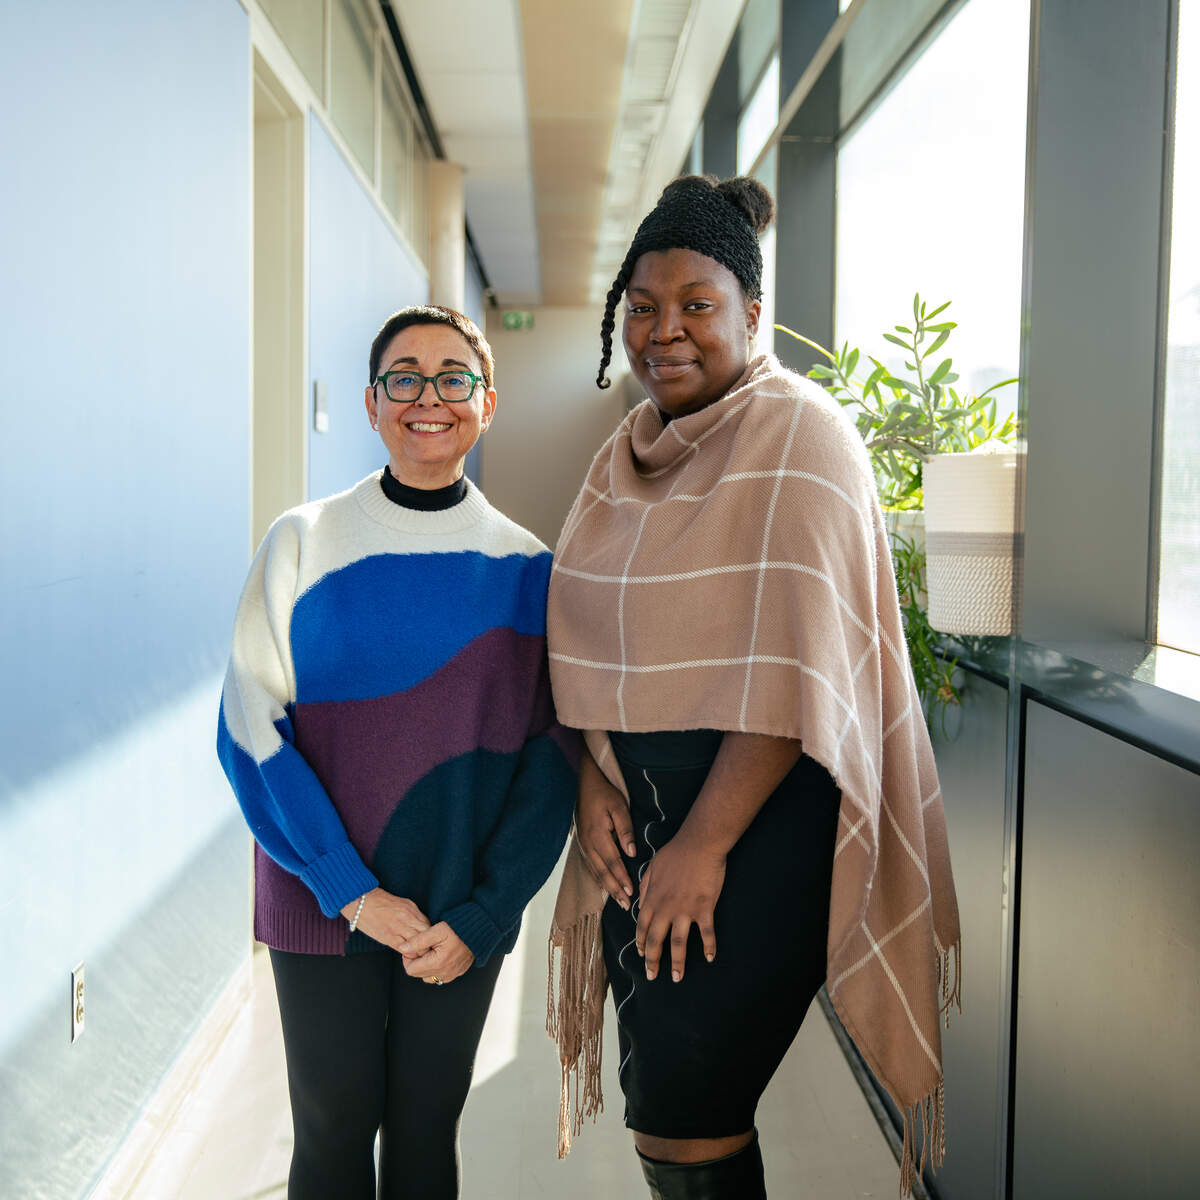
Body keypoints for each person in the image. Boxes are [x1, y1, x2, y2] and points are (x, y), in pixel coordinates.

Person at [545, 176, 961, 1199]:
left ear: (753, 315)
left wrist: (703, 844)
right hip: (638, 825)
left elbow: (801, 673)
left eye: (698, 305)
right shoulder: (617, 462)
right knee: (669, 1117)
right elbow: (574, 652)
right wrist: (588, 791)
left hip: (759, 828)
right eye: (641, 307)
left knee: (689, 1120)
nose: (664, 331)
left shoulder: (803, 439)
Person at [217, 304, 577, 1200]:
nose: (429, 395)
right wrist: (350, 890)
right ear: (374, 405)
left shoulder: (528, 572)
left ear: (485, 403)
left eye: (453, 377)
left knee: (425, 1131)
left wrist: (487, 916)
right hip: (318, 897)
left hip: (460, 912)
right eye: (404, 377)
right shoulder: (301, 542)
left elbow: (553, 766)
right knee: (334, 1129)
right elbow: (248, 726)